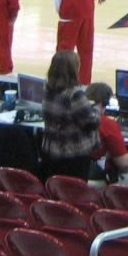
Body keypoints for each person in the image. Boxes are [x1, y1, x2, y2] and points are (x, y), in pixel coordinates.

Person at [38, 50, 103, 181]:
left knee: (55, 189)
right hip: (73, 155)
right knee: (73, 192)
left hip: (50, 151)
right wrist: (97, 108)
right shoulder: (74, 94)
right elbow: (91, 123)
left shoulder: (46, 88)